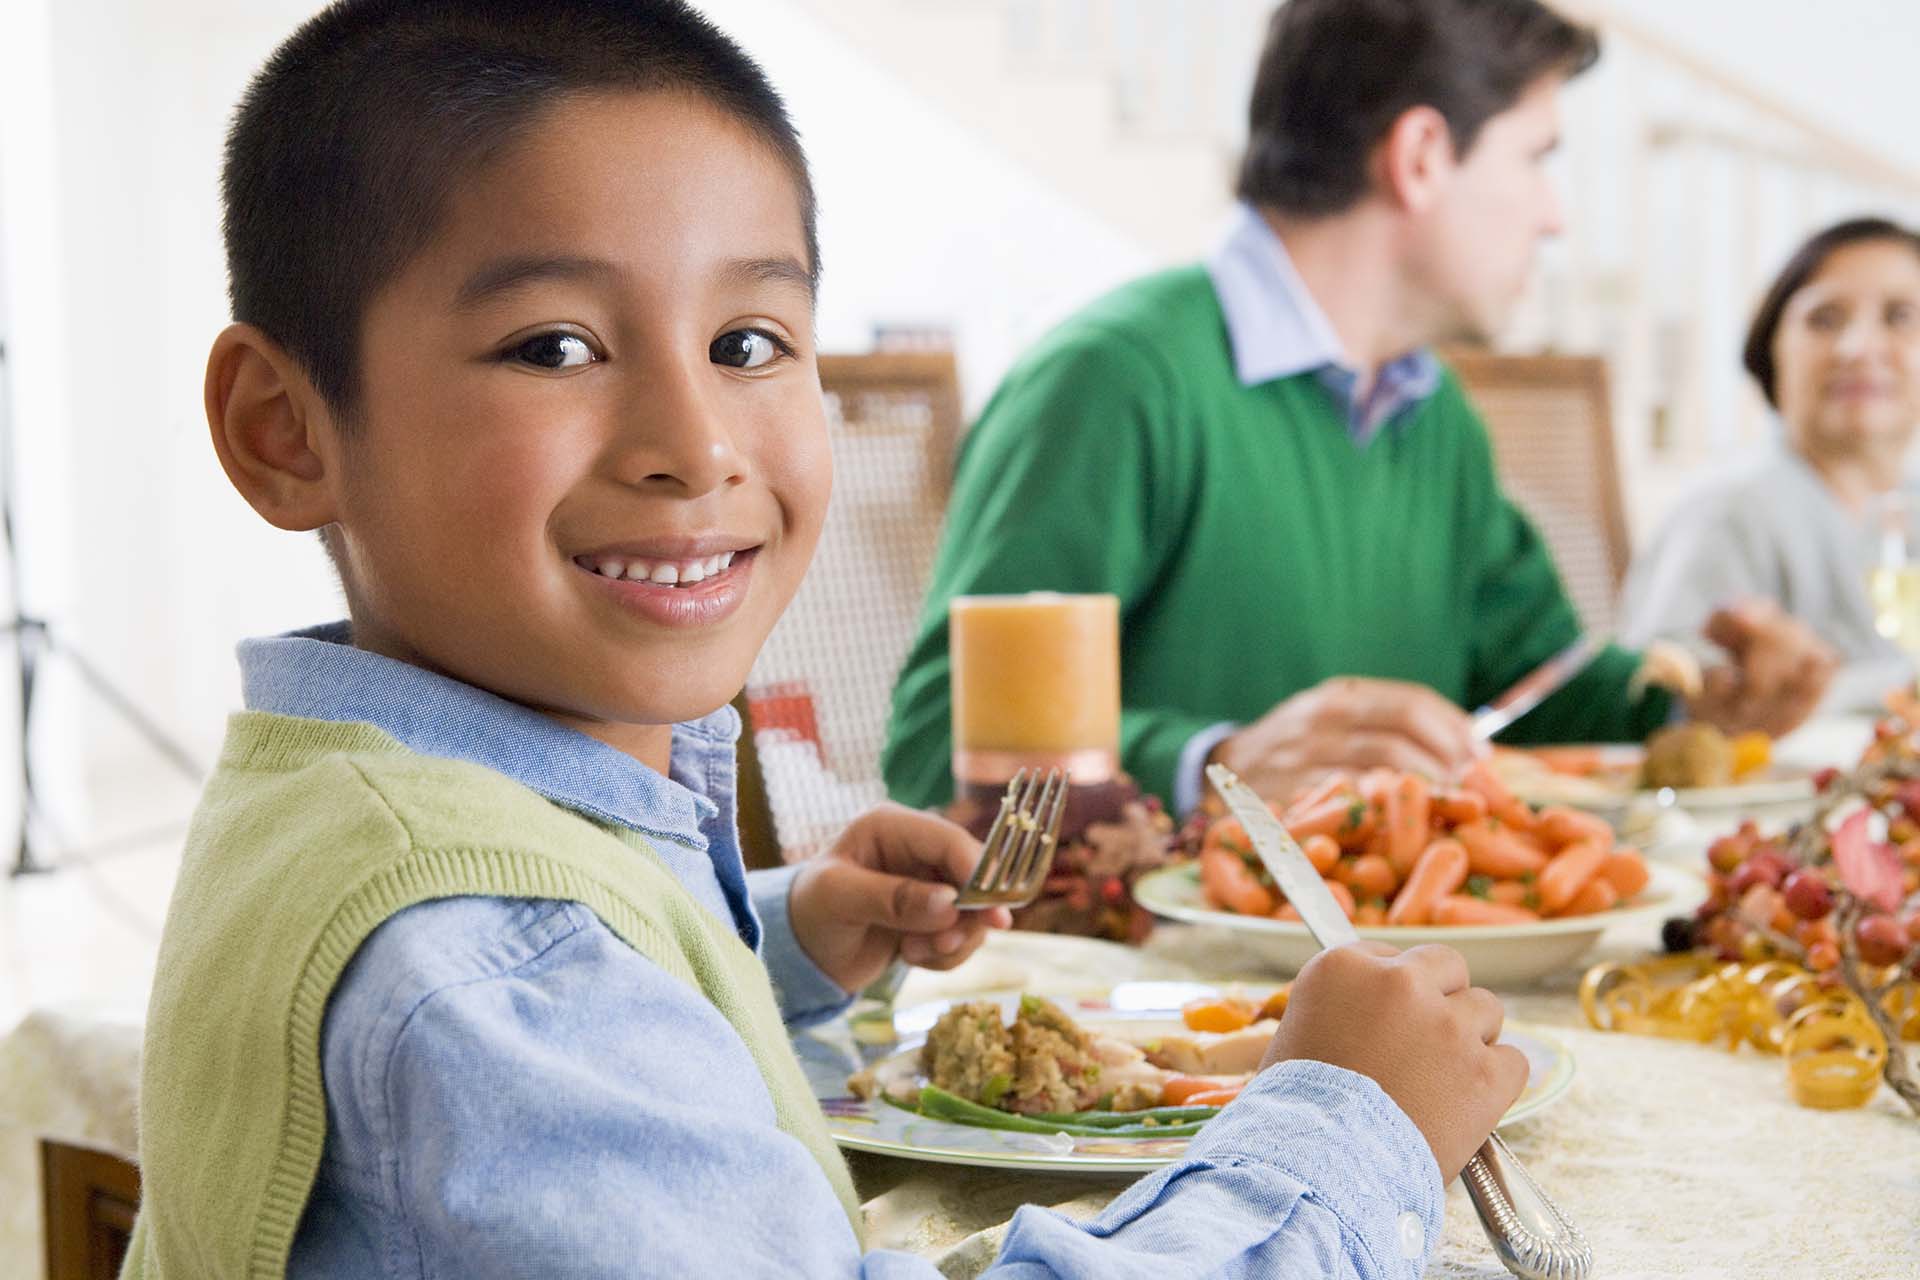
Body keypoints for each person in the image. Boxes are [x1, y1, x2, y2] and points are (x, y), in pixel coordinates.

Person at [126, 2, 1530, 1276]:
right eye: (554, 347)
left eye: (749, 343)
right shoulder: (500, 968)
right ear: (285, 430)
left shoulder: (357, 798)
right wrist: (1341, 1130)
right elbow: (548, 1012)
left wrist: (780, 937)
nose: (694, 446)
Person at [882, 0, 1834, 817]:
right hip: (1146, 994)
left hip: (1370, 964)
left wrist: (1695, 705)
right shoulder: (1115, 379)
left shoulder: (1433, 411)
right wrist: (1216, 763)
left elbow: (1531, 692)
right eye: (1537, 159)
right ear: (1421, 156)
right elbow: (937, 752)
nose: (1555, 216)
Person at [1621, 217, 1920, 711]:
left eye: (1901, 316)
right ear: (1771, 349)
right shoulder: (1728, 515)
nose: (1858, 347)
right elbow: (1654, 697)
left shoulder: (1904, 508)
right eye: (1824, 319)